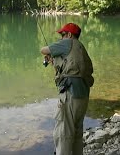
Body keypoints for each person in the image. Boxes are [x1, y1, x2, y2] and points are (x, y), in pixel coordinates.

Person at [40, 23, 94, 155]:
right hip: (83, 96)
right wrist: (56, 62)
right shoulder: (81, 48)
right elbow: (73, 68)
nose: (61, 38)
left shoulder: (68, 43)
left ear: (69, 35)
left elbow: (43, 50)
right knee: (76, 134)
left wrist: (51, 55)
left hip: (70, 95)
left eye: (62, 35)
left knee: (63, 134)